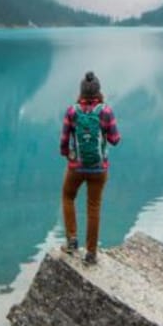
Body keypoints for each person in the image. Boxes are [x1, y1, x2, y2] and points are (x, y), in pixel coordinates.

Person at [59, 71, 120, 265]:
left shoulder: (71, 111)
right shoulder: (106, 112)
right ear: (98, 91)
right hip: (99, 169)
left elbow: (64, 141)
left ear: (81, 92)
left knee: (68, 197)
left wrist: (67, 154)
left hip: (76, 167)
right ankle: (91, 253)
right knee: (93, 207)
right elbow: (115, 139)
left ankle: (72, 241)